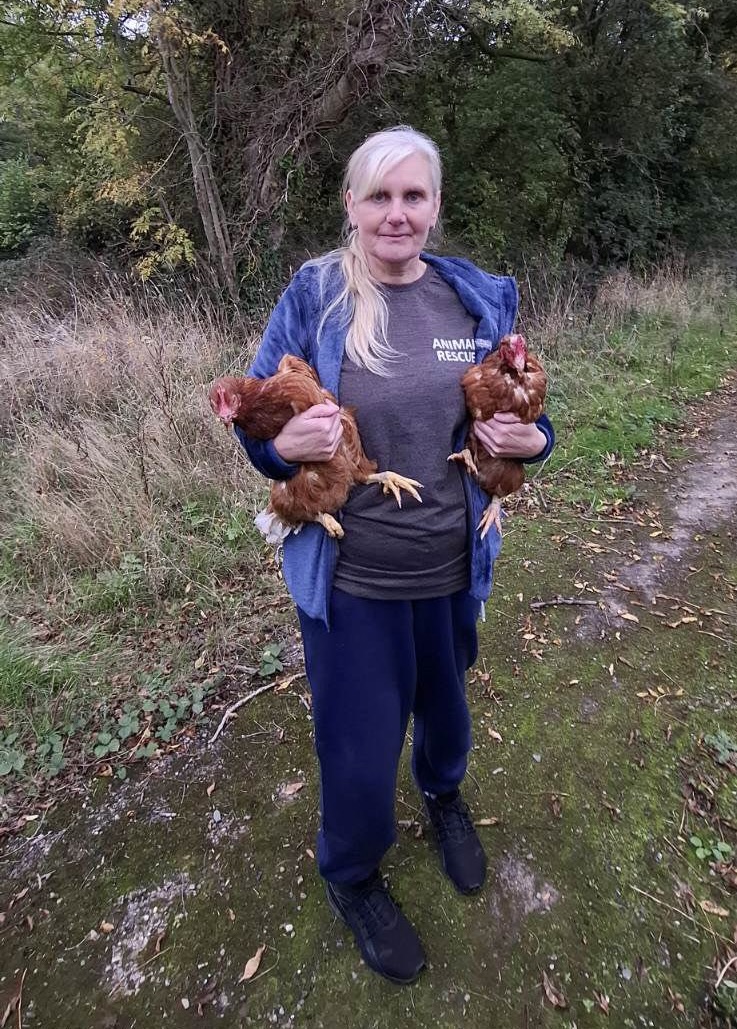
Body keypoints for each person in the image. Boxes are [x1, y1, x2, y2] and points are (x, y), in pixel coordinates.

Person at [236, 126, 555, 984]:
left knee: (446, 712)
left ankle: (443, 795)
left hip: (451, 566)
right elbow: (257, 422)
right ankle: (351, 871)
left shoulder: (472, 298)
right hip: (354, 579)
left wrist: (534, 442)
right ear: (351, 203)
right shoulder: (314, 295)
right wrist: (276, 449)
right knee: (357, 743)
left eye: (413, 195)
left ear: (435, 205)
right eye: (378, 195)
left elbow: (525, 414)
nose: (396, 213)